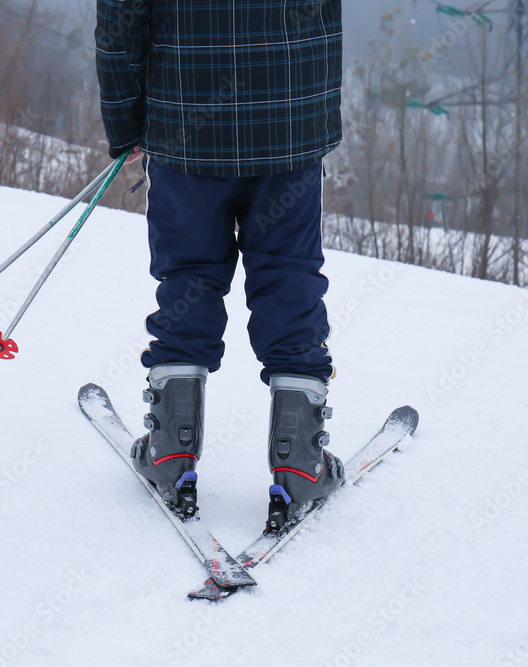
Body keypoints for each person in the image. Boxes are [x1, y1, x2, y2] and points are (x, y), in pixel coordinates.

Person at [96, 0, 345, 527]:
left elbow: (121, 16)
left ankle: (170, 452)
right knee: (288, 274)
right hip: (290, 116)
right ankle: (299, 464)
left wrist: (126, 123)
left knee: (189, 275)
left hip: (185, 116)